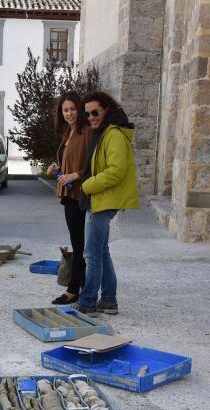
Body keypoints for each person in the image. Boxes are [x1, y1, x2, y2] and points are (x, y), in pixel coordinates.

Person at [60, 91, 139, 317]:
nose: (91, 117)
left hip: (102, 199)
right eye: (87, 114)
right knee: (101, 252)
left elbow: (116, 171)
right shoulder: (102, 132)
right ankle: (109, 301)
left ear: (107, 110)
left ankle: (87, 303)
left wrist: (87, 185)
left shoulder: (113, 134)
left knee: (91, 253)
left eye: (95, 112)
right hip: (101, 198)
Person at [46, 92, 91, 305]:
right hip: (68, 194)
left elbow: (93, 165)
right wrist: (57, 169)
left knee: (80, 243)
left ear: (79, 109)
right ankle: (80, 284)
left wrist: (75, 175)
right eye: (65, 110)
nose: (69, 113)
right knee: (77, 241)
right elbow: (69, 160)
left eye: (73, 109)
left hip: (80, 194)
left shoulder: (86, 132)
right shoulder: (69, 132)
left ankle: (74, 290)